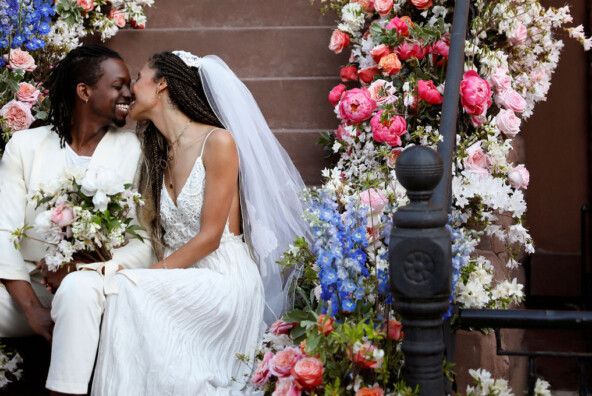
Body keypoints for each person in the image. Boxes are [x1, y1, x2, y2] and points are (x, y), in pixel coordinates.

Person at [90, 51, 311, 395]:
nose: (131, 88)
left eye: (138, 78)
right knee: (122, 290)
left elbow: (210, 237)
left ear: (162, 84)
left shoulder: (217, 141)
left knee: (126, 289)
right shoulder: (157, 153)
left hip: (223, 278)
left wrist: (145, 276)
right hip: (183, 276)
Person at [0, 44, 154, 395]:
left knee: (79, 293)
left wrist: (87, 270)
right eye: (118, 85)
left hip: (98, 285)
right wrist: (32, 308)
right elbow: (3, 233)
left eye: (129, 84)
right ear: (84, 91)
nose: (129, 93)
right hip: (27, 286)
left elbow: (143, 241)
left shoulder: (135, 151)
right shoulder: (25, 146)